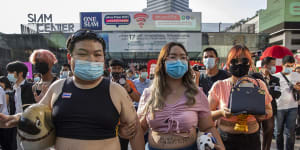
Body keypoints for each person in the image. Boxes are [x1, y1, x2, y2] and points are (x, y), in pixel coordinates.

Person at [0, 29, 145, 150]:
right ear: (70, 57)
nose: (91, 59)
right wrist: (13, 119)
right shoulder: (58, 87)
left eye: (97, 54)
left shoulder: (116, 90)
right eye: (83, 54)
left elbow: (135, 130)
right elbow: (36, 113)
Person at [137, 42, 225, 150]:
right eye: (173, 57)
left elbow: (207, 126)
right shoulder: (149, 94)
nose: (178, 61)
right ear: (163, 62)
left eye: (183, 57)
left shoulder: (196, 94)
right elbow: (139, 129)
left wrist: (221, 147)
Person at [208, 45, 273, 150]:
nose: (239, 64)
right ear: (228, 64)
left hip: (252, 140)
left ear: (250, 64)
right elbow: (206, 115)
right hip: (225, 140)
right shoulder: (219, 86)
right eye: (234, 61)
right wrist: (221, 112)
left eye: (244, 61)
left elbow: (269, 111)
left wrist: (261, 114)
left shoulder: (259, 84)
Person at [109, 59, 141, 150]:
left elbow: (138, 99)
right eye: (114, 68)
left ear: (122, 70)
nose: (116, 70)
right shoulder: (106, 83)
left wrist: (129, 89)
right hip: (110, 123)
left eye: (119, 68)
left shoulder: (129, 83)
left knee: (123, 147)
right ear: (110, 69)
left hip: (124, 124)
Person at [273, 55, 300, 150]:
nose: (290, 68)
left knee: (290, 132)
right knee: (278, 132)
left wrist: (298, 88)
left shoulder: (297, 75)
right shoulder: (275, 77)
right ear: (283, 65)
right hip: (279, 107)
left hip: (293, 107)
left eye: (292, 66)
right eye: (288, 66)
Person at [259, 57, 281, 150]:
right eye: (272, 64)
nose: (274, 67)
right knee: (255, 132)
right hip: (256, 108)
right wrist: (268, 92)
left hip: (270, 108)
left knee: (269, 130)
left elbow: (278, 93)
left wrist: (265, 92)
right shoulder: (255, 77)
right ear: (265, 66)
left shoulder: (275, 79)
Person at [0, 76, 17, 150]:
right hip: (8, 115)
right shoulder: (9, 91)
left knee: (5, 142)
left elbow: (3, 105)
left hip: (5, 117)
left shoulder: (4, 91)